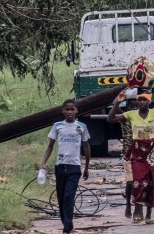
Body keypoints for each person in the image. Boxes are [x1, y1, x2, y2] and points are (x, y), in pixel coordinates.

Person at [107, 78, 154, 224]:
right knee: (137, 181)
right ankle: (137, 210)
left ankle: (149, 213)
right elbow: (110, 119)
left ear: (150, 101)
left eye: (145, 100)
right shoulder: (131, 115)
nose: (142, 102)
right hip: (137, 151)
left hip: (153, 151)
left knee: (152, 182)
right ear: (137, 102)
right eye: (140, 100)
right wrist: (117, 102)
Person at [40, 99, 90, 234]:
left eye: (72, 109)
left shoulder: (81, 127)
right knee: (62, 198)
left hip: (74, 167)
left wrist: (86, 167)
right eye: (67, 109)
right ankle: (69, 224)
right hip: (60, 166)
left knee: (69, 196)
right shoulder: (57, 126)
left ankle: (66, 229)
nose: (69, 112)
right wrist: (43, 163)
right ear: (62, 111)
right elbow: (50, 146)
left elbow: (86, 146)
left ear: (76, 111)